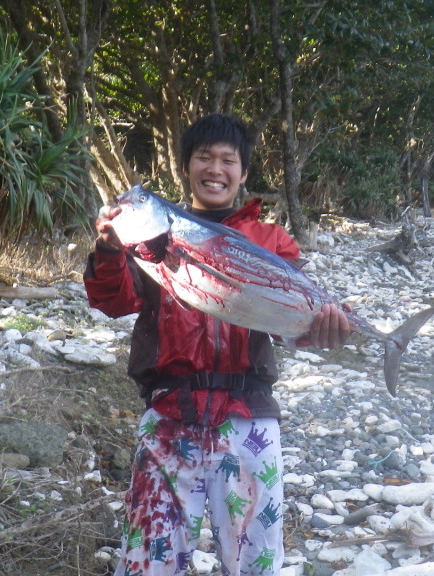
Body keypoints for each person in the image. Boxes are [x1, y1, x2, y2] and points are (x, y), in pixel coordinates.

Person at [85, 113, 350, 576]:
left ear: (243, 173)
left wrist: (321, 329)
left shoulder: (271, 240)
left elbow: (289, 323)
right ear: (186, 166)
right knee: (149, 563)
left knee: (255, 564)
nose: (215, 168)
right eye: (204, 157)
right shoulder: (149, 243)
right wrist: (108, 250)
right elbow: (112, 300)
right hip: (169, 414)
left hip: (248, 417)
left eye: (228, 160)